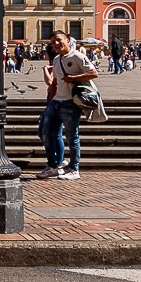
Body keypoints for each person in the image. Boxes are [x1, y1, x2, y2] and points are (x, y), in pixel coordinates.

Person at [36, 28, 97, 180]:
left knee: (72, 137)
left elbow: (94, 73)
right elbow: (55, 82)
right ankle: (53, 166)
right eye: (53, 42)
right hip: (56, 101)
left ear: (67, 40)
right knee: (45, 132)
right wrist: (51, 99)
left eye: (58, 40)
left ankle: (74, 168)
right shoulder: (57, 59)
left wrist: (74, 77)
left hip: (70, 103)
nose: (56, 43)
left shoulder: (77, 56)